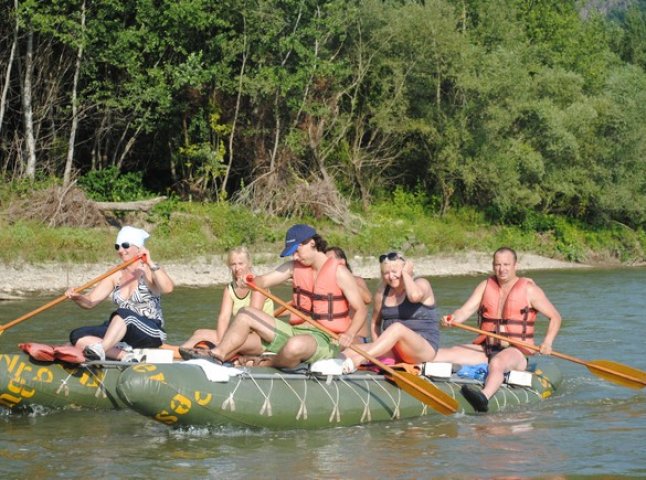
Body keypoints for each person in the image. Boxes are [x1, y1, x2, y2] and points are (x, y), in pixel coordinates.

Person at [203, 224, 367, 368]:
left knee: (294, 346)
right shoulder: (293, 267)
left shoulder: (340, 273)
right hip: (294, 331)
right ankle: (216, 356)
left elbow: (361, 310)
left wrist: (350, 334)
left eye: (297, 251)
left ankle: (267, 363)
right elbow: (265, 280)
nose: (295, 257)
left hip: (326, 340)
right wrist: (250, 280)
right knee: (246, 313)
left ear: (311, 243)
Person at [434, 247, 562, 412]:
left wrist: (547, 342)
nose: (501, 269)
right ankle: (401, 370)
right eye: (497, 265)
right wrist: (452, 318)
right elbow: (465, 311)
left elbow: (555, 317)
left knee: (497, 363)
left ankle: (483, 397)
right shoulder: (486, 285)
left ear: (515, 265)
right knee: (447, 352)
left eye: (506, 264)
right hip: (487, 348)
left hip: (516, 352)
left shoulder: (530, 290)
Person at [66, 226, 174, 361]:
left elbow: (168, 289)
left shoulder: (149, 269)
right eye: (117, 247)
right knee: (78, 335)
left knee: (123, 314)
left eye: (125, 245)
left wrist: (150, 261)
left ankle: (101, 349)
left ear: (139, 248)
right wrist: (77, 297)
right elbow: (90, 302)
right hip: (121, 330)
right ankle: (125, 356)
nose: (121, 250)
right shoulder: (115, 273)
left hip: (151, 330)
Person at [342, 252, 440, 373]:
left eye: (395, 271)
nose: (391, 276)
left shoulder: (421, 284)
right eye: (386, 273)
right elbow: (375, 324)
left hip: (424, 349)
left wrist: (406, 274)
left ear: (405, 269)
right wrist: (378, 348)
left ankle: (359, 360)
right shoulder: (381, 293)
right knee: (348, 351)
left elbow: (414, 296)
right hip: (396, 350)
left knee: (397, 328)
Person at [179, 246, 273, 354]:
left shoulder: (258, 285)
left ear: (249, 264)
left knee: (230, 341)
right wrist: (221, 340)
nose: (237, 268)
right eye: (233, 264)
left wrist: (225, 342)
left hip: (262, 338)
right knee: (199, 333)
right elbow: (224, 318)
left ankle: (207, 354)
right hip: (241, 334)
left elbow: (252, 320)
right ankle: (181, 353)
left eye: (241, 264)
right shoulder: (229, 289)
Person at [325, 246, 372, 342]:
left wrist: (347, 280)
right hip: (334, 338)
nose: (327, 265)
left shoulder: (357, 280)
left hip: (357, 338)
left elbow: (367, 299)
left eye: (330, 261)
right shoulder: (325, 286)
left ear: (342, 262)